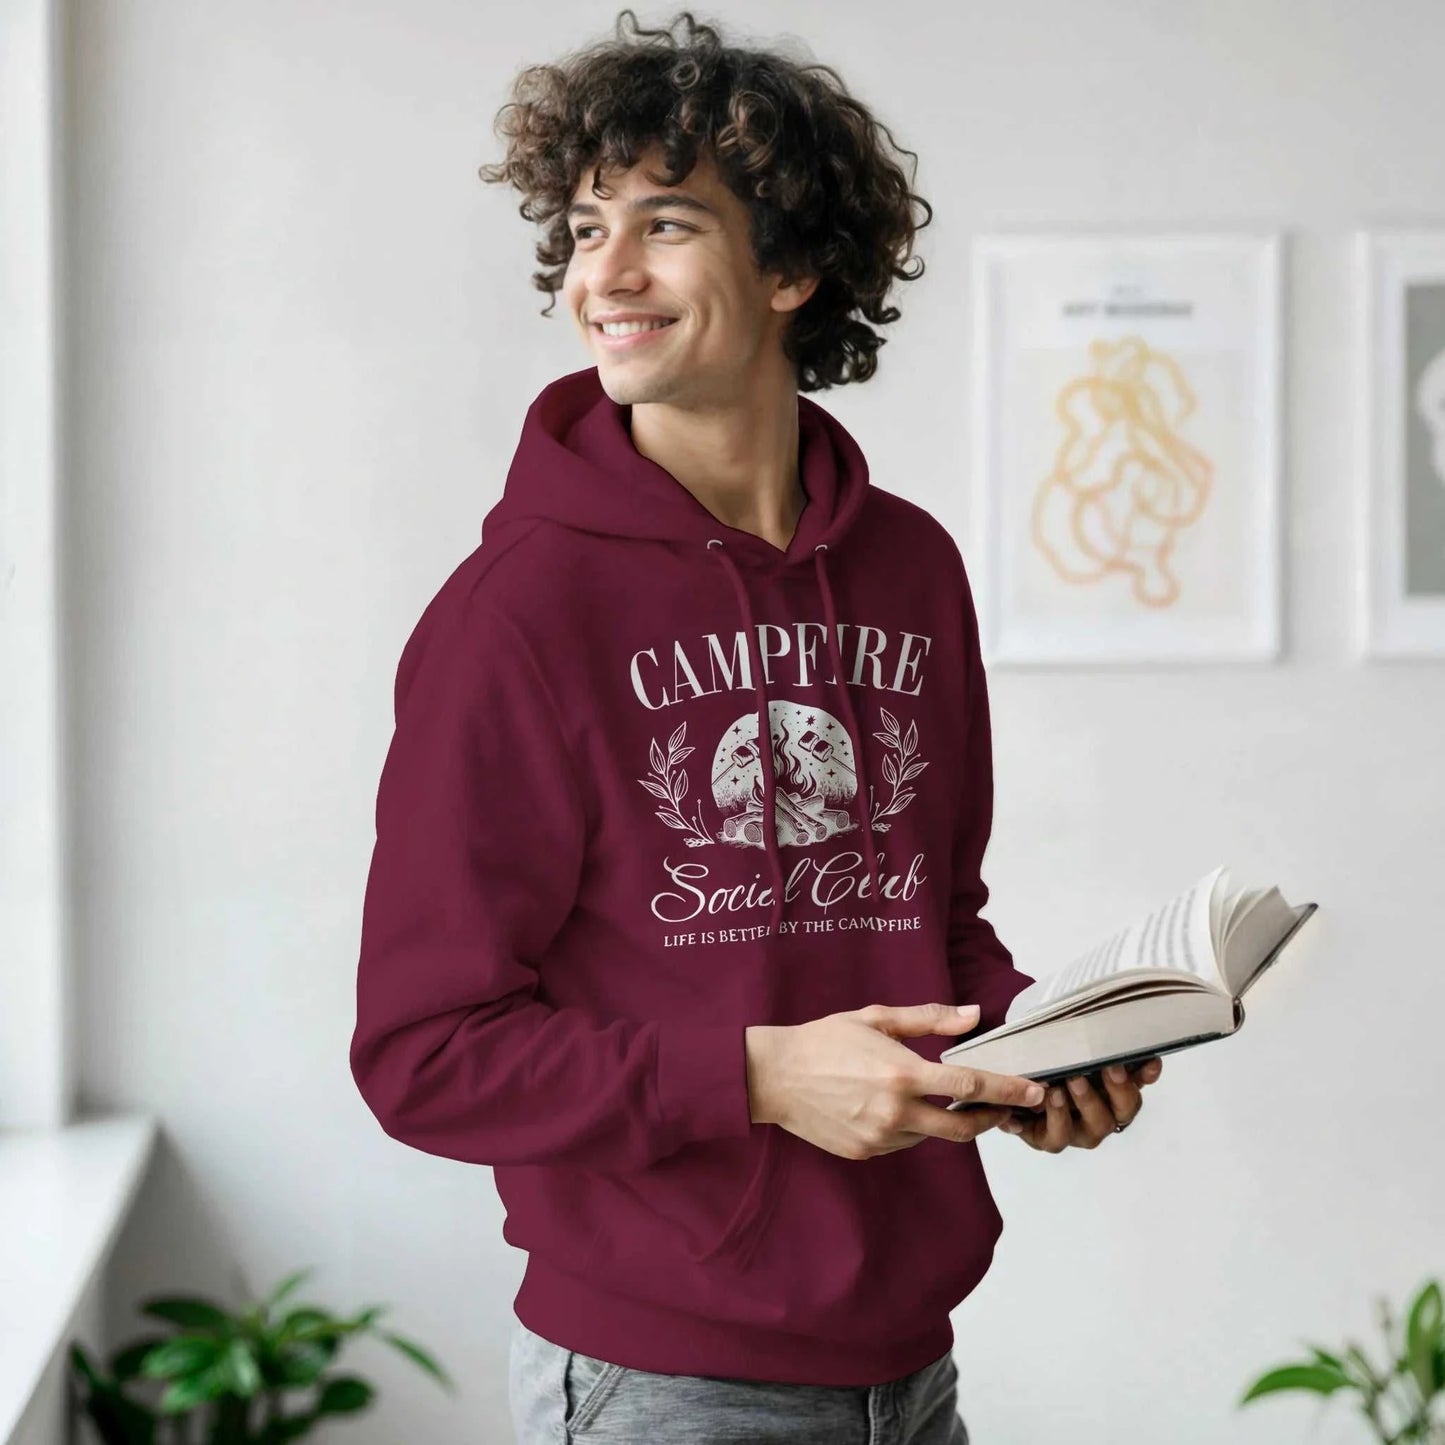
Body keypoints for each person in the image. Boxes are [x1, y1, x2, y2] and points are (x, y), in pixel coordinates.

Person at [349, 10, 1162, 1443]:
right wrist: (759, 1076)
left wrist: (1031, 1053)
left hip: (911, 1359)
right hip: (663, 1378)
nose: (601, 272)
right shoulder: (514, 617)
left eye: (664, 224)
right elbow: (422, 1049)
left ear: (790, 267)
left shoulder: (907, 568)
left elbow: (925, 915)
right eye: (586, 225)